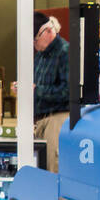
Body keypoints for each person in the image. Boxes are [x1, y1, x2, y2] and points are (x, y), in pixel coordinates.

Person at [31, 12, 69, 173]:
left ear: (48, 31)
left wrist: (37, 90)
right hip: (39, 120)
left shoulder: (66, 53)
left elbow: (68, 91)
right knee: (39, 168)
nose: (34, 44)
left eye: (35, 39)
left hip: (57, 119)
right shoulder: (40, 56)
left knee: (52, 166)